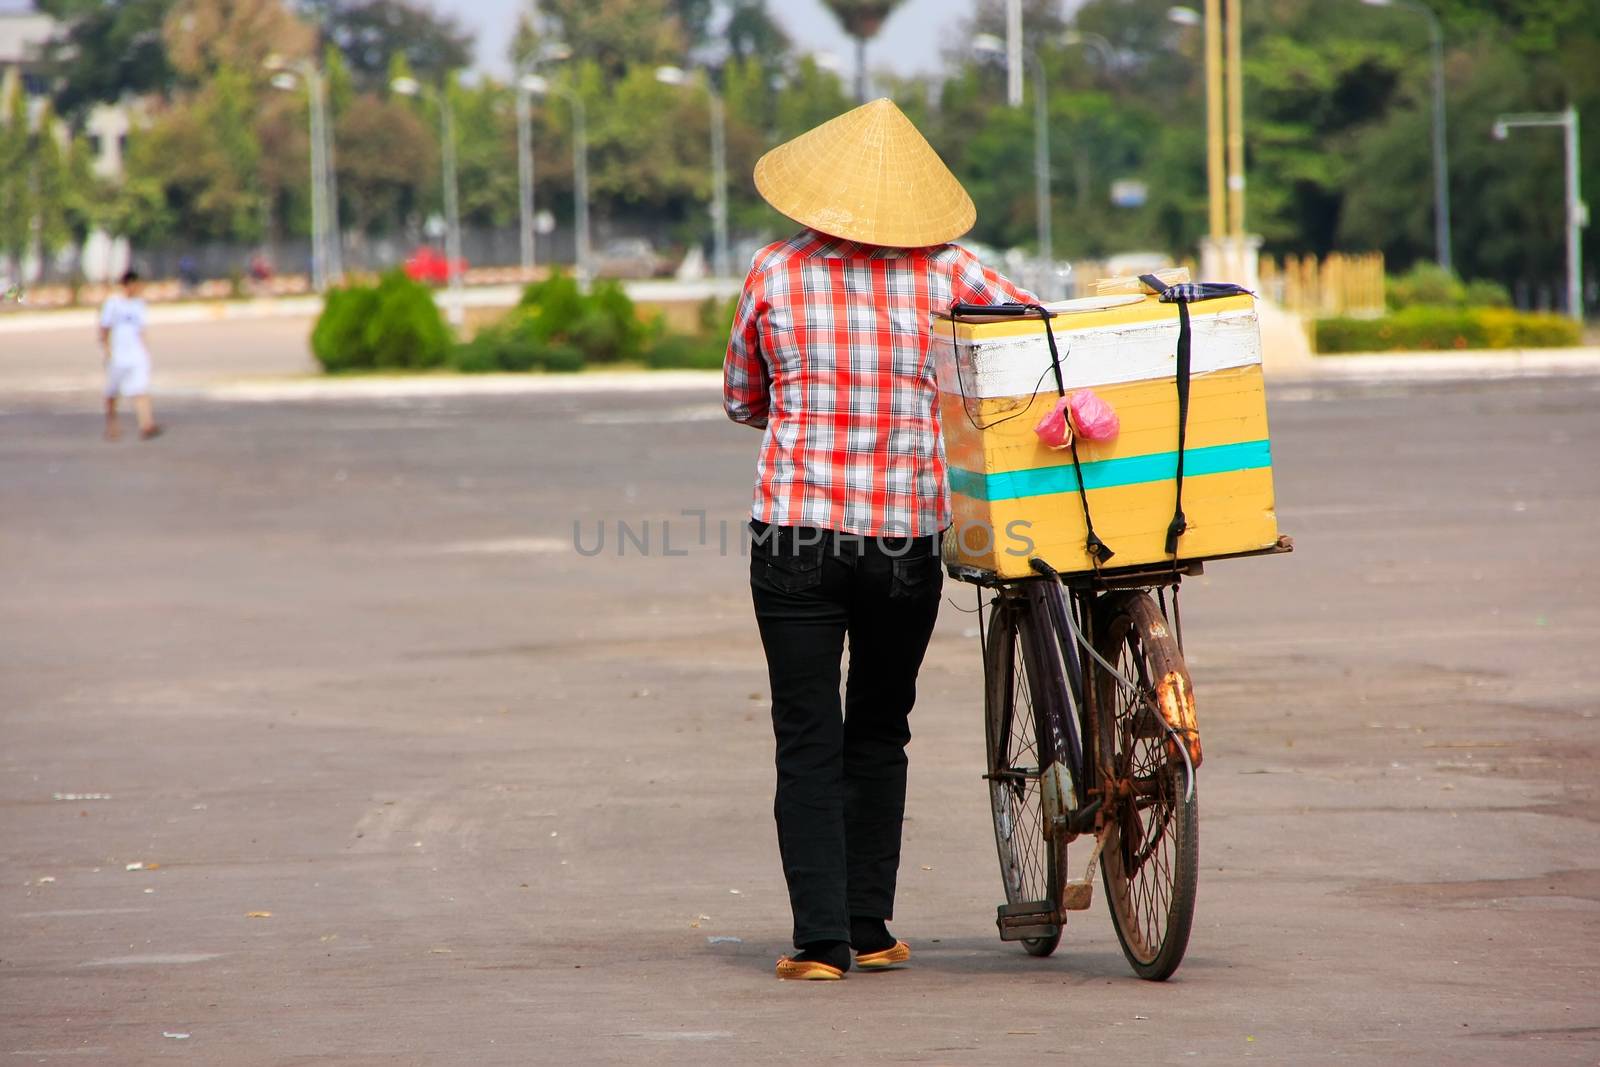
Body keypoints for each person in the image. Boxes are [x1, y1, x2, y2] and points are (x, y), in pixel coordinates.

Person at [723, 98, 1036, 981]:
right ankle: (869, 925)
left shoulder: (773, 272)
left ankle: (820, 943)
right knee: (879, 729)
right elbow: (1036, 339)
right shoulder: (951, 275)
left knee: (807, 737)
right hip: (903, 541)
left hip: (795, 538)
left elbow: (744, 397)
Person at [100, 270, 162, 441]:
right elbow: (104, 329)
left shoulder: (139, 305)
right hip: (118, 355)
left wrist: (146, 350)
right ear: (128, 285)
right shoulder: (113, 304)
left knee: (140, 389)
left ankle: (146, 424)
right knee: (112, 393)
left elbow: (142, 330)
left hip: (136, 354)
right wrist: (106, 350)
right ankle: (111, 426)